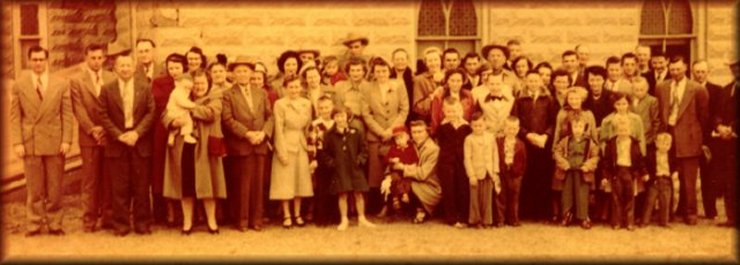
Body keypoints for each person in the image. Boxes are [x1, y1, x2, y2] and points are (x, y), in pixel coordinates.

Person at [11, 46, 73, 237]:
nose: (38, 63)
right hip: (31, 142)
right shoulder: (20, 85)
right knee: (34, 188)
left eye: (41, 60)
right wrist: (17, 142)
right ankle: (34, 224)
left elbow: (67, 114)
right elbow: (15, 117)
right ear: (29, 61)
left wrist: (66, 140)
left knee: (54, 187)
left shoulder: (60, 83)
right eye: (34, 60)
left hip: (54, 141)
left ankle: (55, 223)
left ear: (47, 61)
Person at [162, 70, 227, 235]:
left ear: (209, 83)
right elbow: (165, 114)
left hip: (205, 146)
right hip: (183, 146)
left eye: (202, 83)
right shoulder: (182, 95)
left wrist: (190, 109)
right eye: (196, 84)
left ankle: (211, 221)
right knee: (186, 185)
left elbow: (211, 114)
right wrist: (173, 121)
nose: (198, 87)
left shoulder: (215, 98)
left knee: (208, 185)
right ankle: (187, 222)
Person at [98, 52, 155, 236]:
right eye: (121, 66)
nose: (125, 69)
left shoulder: (144, 87)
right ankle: (121, 225)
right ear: (115, 69)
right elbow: (103, 114)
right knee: (119, 187)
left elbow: (151, 112)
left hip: (139, 142)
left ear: (134, 67)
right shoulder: (107, 89)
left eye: (128, 65)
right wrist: (118, 135)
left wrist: (137, 133)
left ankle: (142, 224)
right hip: (118, 144)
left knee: (141, 187)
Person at [222, 56, 274, 231]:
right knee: (242, 184)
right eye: (238, 71)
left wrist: (264, 133)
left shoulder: (260, 92)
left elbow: (270, 116)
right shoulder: (228, 94)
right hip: (241, 145)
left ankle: (256, 220)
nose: (242, 74)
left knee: (258, 183)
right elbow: (227, 119)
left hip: (259, 143)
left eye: (245, 70)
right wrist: (247, 134)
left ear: (252, 73)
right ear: (233, 74)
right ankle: (242, 220)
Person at [655, 56, 709, 226]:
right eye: (672, 69)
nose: (675, 72)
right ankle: (668, 212)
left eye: (679, 69)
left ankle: (690, 212)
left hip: (689, 136)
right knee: (665, 174)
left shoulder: (697, 89)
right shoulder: (661, 87)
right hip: (667, 135)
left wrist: (699, 140)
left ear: (686, 68)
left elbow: (703, 118)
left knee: (688, 179)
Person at [69, 44, 116, 232]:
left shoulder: (112, 77)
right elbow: (78, 109)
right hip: (89, 137)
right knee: (90, 180)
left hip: (109, 135)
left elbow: (115, 106)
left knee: (108, 179)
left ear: (104, 58)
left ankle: (108, 218)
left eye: (99, 58)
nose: (96, 61)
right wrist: (92, 129)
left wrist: (106, 129)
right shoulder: (77, 81)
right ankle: (88, 220)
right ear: (86, 58)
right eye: (92, 58)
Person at [362, 58, 410, 215]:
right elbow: (366, 113)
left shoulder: (399, 85)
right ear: (373, 73)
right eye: (377, 71)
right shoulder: (367, 87)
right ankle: (380, 206)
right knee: (376, 173)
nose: (381, 74)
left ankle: (396, 206)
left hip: (395, 135)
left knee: (395, 170)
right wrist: (381, 132)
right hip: (376, 136)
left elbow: (404, 109)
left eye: (384, 71)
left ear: (389, 71)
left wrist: (392, 130)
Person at [511, 67, 557, 221]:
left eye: (536, 80)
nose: (533, 83)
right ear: (525, 81)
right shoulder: (520, 100)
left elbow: (553, 121)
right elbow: (515, 121)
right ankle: (527, 211)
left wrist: (545, 136)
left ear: (541, 81)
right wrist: (527, 135)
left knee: (542, 176)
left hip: (543, 144)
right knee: (527, 175)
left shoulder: (548, 99)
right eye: (530, 80)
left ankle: (542, 212)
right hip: (526, 143)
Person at [319, 106, 377, 230]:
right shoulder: (329, 135)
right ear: (333, 118)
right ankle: (344, 219)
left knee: (359, 194)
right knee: (342, 194)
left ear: (347, 116)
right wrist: (332, 163)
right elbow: (325, 153)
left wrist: (360, 161)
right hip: (340, 169)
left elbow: (364, 149)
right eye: (337, 116)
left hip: (355, 168)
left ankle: (362, 218)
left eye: (342, 116)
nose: (340, 119)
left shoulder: (356, 132)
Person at [269, 75, 313, 229]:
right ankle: (287, 215)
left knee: (299, 180)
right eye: (291, 87)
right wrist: (281, 150)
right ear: (285, 88)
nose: (294, 90)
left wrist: (310, 145)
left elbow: (308, 127)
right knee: (285, 180)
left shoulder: (306, 103)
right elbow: (279, 129)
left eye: (297, 87)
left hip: (301, 143)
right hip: (286, 142)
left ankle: (297, 213)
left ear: (301, 87)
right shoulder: (280, 104)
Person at [151, 53, 188, 226]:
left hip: (186, 128)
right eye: (170, 68)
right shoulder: (159, 83)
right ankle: (167, 211)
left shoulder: (189, 82)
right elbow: (158, 106)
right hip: (164, 129)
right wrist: (171, 121)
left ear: (184, 68)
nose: (174, 72)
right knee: (164, 171)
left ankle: (185, 212)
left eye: (177, 68)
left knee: (182, 170)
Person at [552, 112, 600, 230]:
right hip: (568, 171)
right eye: (575, 127)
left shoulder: (589, 142)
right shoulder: (566, 140)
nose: (577, 130)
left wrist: (588, 165)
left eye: (580, 127)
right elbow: (557, 153)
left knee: (582, 195)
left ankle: (583, 217)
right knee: (566, 194)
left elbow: (596, 157)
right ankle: (567, 215)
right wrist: (564, 163)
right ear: (571, 127)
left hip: (582, 172)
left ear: (585, 127)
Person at [602, 116, 648, 231]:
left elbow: (640, 160)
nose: (623, 132)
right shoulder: (611, 143)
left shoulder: (634, 143)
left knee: (630, 197)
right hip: (617, 171)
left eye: (625, 130)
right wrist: (605, 176)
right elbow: (606, 162)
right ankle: (617, 221)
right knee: (616, 197)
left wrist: (644, 173)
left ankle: (629, 222)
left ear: (630, 130)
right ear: (616, 130)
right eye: (620, 130)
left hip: (630, 172)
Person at [692, 60, 724, 221]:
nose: (700, 75)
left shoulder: (717, 91)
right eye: (697, 72)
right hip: (691, 137)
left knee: (708, 175)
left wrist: (712, 132)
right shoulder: (688, 89)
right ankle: (685, 208)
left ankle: (710, 210)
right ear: (692, 72)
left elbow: (718, 113)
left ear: (708, 72)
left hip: (709, 138)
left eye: (703, 71)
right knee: (688, 175)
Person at [436, 98, 473, 228]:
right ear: (444, 111)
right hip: (447, 161)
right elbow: (440, 143)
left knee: (463, 187)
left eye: (455, 110)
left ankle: (463, 216)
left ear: (461, 110)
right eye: (449, 111)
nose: (452, 113)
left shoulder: (466, 126)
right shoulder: (442, 127)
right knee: (449, 188)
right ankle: (451, 217)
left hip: (462, 160)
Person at [712, 57, 738, 227]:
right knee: (730, 180)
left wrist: (733, 128)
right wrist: (719, 126)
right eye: (733, 68)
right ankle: (732, 217)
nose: (736, 71)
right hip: (727, 144)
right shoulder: (726, 89)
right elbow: (717, 112)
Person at [307, 96, 339, 226]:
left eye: (327, 107)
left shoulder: (336, 122)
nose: (325, 110)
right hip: (320, 157)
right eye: (321, 108)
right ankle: (322, 217)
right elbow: (311, 143)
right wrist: (313, 160)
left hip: (336, 157)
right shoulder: (315, 125)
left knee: (335, 186)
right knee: (322, 187)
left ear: (332, 107)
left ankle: (336, 216)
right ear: (317, 110)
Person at [463, 112, 499, 228]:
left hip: (488, 171)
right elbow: (467, 158)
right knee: (475, 198)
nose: (478, 128)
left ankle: (487, 220)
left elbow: (495, 154)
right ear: (471, 126)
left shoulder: (490, 137)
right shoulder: (469, 139)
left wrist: (495, 171)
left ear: (485, 125)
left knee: (487, 198)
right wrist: (471, 175)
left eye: (480, 125)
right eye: (475, 126)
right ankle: (476, 220)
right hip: (476, 172)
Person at [402, 120, 442, 224]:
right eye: (414, 132)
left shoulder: (433, 149)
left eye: (420, 132)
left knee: (406, 184)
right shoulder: (409, 145)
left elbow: (423, 174)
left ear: (427, 132)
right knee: (393, 180)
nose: (417, 135)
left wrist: (403, 168)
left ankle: (422, 211)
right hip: (415, 181)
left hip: (430, 186)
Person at [379, 125, 418, 217]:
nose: (399, 140)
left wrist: (410, 166)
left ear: (407, 137)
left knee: (408, 180)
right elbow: (385, 159)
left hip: (407, 171)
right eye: (396, 139)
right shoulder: (393, 148)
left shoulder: (411, 148)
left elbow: (415, 160)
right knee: (394, 178)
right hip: (395, 172)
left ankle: (404, 194)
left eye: (401, 137)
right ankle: (397, 197)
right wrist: (392, 160)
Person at [495, 116, 527, 227]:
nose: (511, 131)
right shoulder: (498, 142)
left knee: (514, 198)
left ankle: (513, 219)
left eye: (514, 128)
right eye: (508, 128)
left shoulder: (521, 144)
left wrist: (520, 174)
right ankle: (500, 219)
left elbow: (523, 161)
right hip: (502, 172)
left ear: (518, 129)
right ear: (504, 128)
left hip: (515, 175)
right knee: (501, 197)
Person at [639, 133, 676, 228]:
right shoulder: (651, 155)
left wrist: (676, 172)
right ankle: (645, 221)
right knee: (649, 201)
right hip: (655, 181)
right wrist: (645, 173)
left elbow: (676, 166)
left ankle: (664, 221)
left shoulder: (671, 156)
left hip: (666, 180)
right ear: (656, 144)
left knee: (665, 202)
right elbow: (644, 164)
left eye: (667, 144)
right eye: (662, 144)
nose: (665, 146)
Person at [429, 68, 474, 135]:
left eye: (458, 81)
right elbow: (435, 119)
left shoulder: (468, 95)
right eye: (452, 80)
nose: (455, 84)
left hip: (464, 132)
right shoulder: (439, 97)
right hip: (445, 133)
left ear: (463, 81)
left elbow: (472, 115)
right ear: (447, 81)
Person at [412, 47, 444, 123]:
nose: (433, 63)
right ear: (425, 63)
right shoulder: (419, 80)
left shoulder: (449, 77)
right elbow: (417, 107)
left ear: (441, 61)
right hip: (429, 120)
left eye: (436, 59)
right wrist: (432, 97)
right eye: (430, 60)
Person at [165, 76, 197, 145]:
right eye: (185, 87)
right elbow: (183, 103)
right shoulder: (178, 93)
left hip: (174, 112)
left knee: (177, 126)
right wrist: (194, 105)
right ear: (180, 85)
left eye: (189, 89)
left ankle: (171, 136)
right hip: (175, 112)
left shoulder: (180, 93)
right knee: (188, 121)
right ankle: (186, 135)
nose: (187, 90)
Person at [390, 49, 415, 122]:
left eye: (402, 59)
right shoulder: (387, 77)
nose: (400, 62)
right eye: (397, 59)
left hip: (410, 116)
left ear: (407, 60)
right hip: (391, 116)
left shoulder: (414, 78)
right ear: (392, 60)